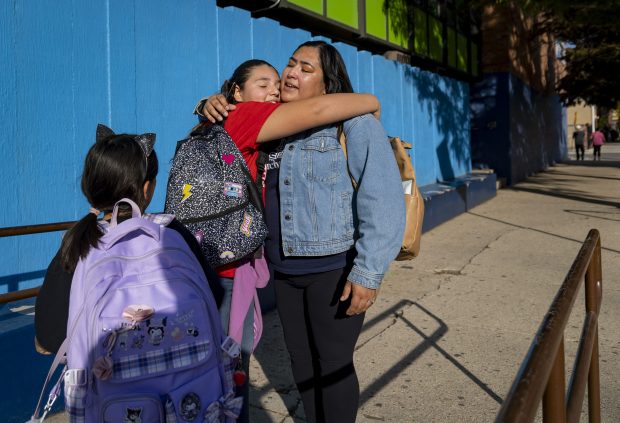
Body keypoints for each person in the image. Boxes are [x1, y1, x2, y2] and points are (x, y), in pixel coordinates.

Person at [199, 41, 405, 423]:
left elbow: (383, 200)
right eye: (291, 63)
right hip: (285, 272)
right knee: (303, 366)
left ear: (327, 85)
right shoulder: (272, 123)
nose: (292, 72)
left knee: (334, 365)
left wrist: (368, 273)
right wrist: (212, 99)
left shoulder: (353, 123)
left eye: (306, 68)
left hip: (333, 269)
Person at [34, 126, 222, 355]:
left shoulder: (81, 240)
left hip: (107, 385)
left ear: (90, 187)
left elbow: (47, 340)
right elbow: (214, 296)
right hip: (181, 380)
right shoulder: (171, 232)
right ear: (146, 188)